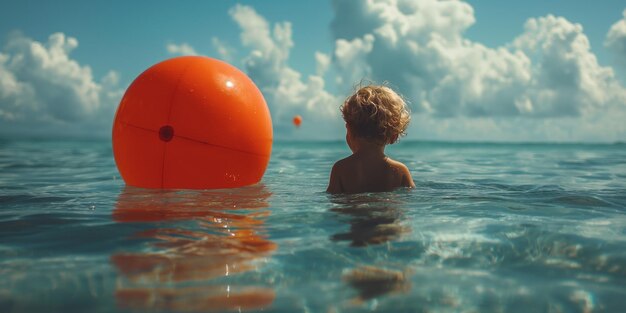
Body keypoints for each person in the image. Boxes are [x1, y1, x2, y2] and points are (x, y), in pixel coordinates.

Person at [327, 85, 415, 193]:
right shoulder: (400, 171)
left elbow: (333, 203)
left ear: (349, 130)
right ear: (393, 137)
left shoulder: (340, 169)